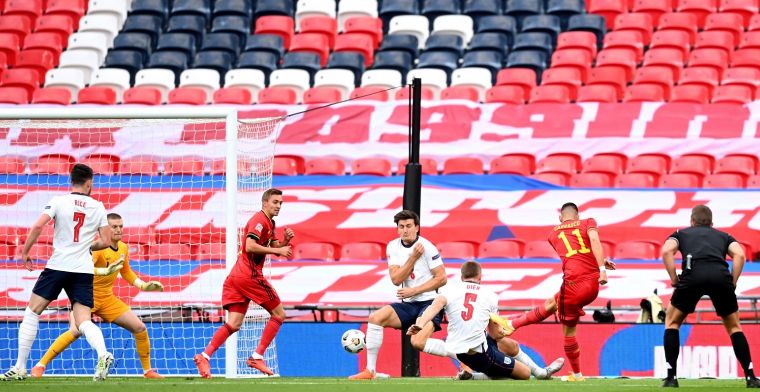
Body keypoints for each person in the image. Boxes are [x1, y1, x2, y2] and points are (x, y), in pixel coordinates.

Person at [3, 163, 115, 381]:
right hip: (82, 270)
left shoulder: (58, 201)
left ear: (71, 181)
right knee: (83, 321)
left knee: (33, 311)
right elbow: (107, 241)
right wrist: (87, 247)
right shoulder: (98, 207)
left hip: (57, 266)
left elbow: (37, 227)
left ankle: (20, 366)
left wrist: (25, 251)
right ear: (89, 183)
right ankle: (103, 354)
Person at [30, 213, 165, 379]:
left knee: (140, 328)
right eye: (114, 227)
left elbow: (126, 271)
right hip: (86, 296)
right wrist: (105, 271)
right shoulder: (98, 248)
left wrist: (143, 285)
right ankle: (40, 365)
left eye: (121, 226)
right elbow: (83, 268)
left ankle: (147, 371)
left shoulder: (123, 247)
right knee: (75, 331)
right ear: (106, 229)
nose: (118, 229)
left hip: (107, 299)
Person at [491, 202, 614, 382]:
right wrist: (601, 266)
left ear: (560, 218)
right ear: (578, 216)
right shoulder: (588, 221)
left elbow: (573, 254)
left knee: (568, 332)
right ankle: (512, 324)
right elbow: (591, 243)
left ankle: (578, 376)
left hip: (573, 285)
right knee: (552, 302)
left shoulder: (553, 234)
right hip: (593, 284)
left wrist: (601, 266)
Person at [193, 188, 294, 378]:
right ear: (265, 203)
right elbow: (249, 246)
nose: (279, 206)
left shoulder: (270, 222)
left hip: (236, 277)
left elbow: (273, 246)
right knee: (279, 313)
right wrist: (278, 252)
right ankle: (257, 356)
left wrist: (284, 242)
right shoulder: (259, 220)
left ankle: (204, 356)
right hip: (249, 275)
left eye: (281, 203)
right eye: (275, 202)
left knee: (234, 323)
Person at [660, 205, 760, 388]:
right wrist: (733, 281)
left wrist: (674, 279)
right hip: (720, 277)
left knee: (672, 322)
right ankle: (751, 377)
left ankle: (671, 377)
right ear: (712, 224)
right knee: (734, 327)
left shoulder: (681, 234)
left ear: (691, 221)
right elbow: (740, 255)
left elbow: (666, 251)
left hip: (692, 276)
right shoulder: (724, 236)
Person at [408, 260, 551, 380]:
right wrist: (504, 328)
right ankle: (473, 376)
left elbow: (433, 307)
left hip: (457, 346)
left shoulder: (448, 290)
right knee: (525, 373)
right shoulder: (491, 296)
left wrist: (420, 323)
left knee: (511, 345)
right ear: (480, 276)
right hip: (479, 354)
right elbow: (495, 334)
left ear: (462, 277)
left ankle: (541, 372)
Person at [349, 210, 448, 380]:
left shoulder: (428, 247)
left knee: (417, 342)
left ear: (417, 227)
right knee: (375, 318)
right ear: (397, 229)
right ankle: (370, 371)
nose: (405, 230)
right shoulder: (393, 246)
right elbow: (396, 279)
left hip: (429, 303)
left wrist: (415, 290)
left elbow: (442, 278)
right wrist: (412, 258)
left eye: (409, 226)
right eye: (401, 227)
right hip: (409, 304)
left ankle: (462, 357)